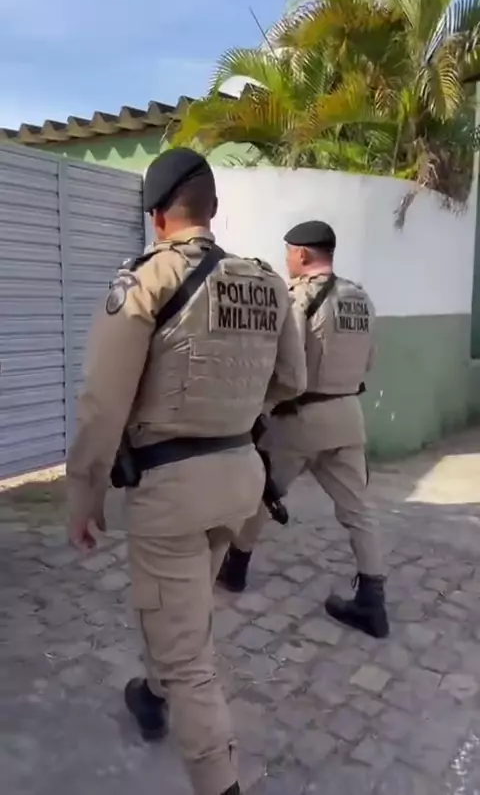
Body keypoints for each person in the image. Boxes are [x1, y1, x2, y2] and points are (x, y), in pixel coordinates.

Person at [66, 147, 306, 795]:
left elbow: (102, 402)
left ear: (156, 217)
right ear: (213, 209)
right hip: (239, 477)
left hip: (171, 490)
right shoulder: (267, 282)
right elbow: (293, 379)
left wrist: (84, 496)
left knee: (191, 661)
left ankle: (218, 780)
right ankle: (151, 693)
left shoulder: (147, 279)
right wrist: (230, 413)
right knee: (182, 609)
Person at [217, 220, 389, 640]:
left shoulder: (298, 300)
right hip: (348, 417)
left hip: (300, 420)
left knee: (262, 493)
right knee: (359, 510)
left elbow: (287, 367)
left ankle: (236, 568)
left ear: (304, 254)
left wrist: (259, 408)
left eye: (289, 253)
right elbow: (370, 362)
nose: (287, 261)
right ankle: (373, 599)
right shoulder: (361, 298)